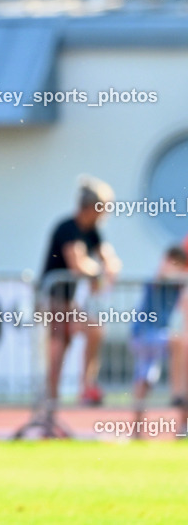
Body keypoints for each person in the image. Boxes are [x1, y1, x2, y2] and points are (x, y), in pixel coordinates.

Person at [40, 176, 121, 408]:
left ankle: (85, 387)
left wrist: (107, 268)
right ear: (92, 208)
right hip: (55, 298)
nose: (106, 214)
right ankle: (52, 397)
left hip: (71, 300)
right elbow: (77, 263)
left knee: (92, 331)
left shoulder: (93, 231)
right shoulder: (68, 228)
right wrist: (98, 273)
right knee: (59, 343)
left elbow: (109, 259)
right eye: (103, 208)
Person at [128, 246, 187, 437]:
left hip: (156, 336)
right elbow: (162, 275)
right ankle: (177, 394)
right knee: (179, 344)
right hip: (145, 334)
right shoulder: (159, 277)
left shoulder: (179, 285)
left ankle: (138, 431)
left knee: (145, 380)